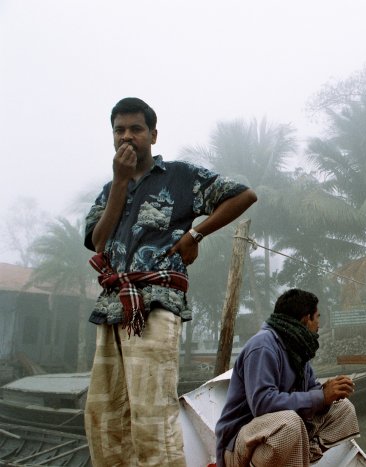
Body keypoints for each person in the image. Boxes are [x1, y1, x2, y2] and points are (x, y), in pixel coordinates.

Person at [83, 97, 257, 466]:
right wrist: (118, 181)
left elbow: (243, 195)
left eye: (136, 129)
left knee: (151, 415)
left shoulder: (180, 177)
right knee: (104, 420)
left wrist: (196, 235)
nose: (127, 137)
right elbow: (99, 241)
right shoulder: (108, 189)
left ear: (153, 135)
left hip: (156, 304)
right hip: (112, 306)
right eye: (119, 130)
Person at [215, 289, 360, 467]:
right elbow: (262, 404)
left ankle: (302, 456)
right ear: (306, 319)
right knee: (290, 423)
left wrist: (326, 392)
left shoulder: (297, 348)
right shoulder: (263, 346)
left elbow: (310, 392)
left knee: (343, 409)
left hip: (280, 435)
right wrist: (320, 397)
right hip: (241, 447)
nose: (319, 324)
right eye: (318, 317)